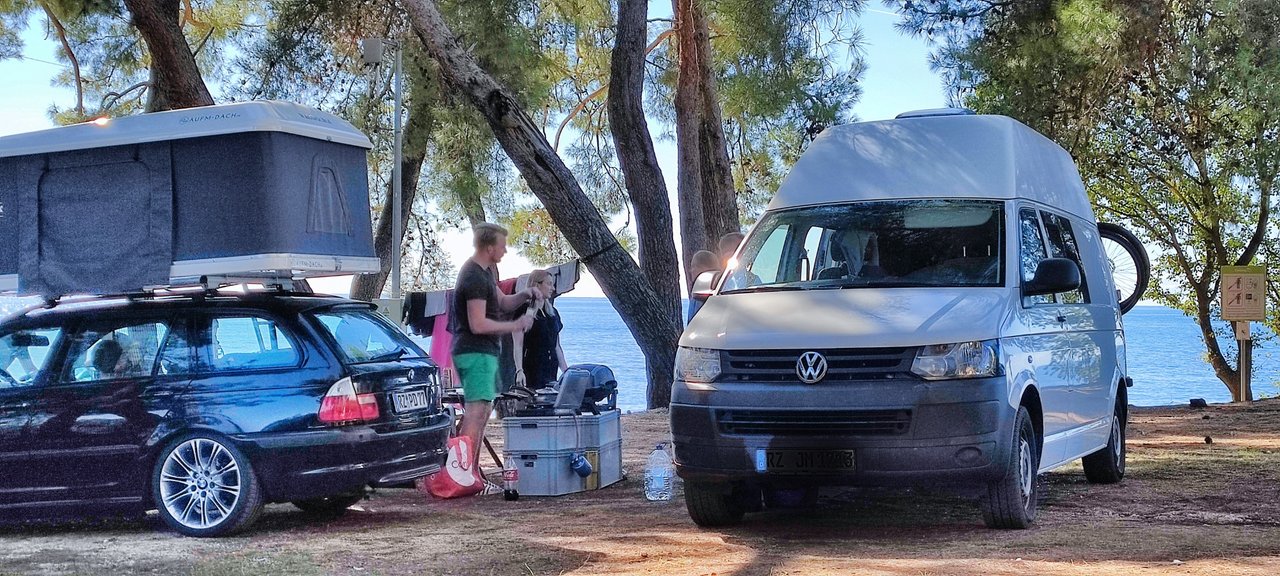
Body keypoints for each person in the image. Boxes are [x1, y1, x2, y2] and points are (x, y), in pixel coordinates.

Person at [452, 222, 541, 463]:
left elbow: (502, 303)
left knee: (483, 412)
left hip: (486, 352)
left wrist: (524, 294)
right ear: (489, 247)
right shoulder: (473, 276)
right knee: (476, 412)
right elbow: (477, 324)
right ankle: (463, 472)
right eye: (502, 246)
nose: (505, 250)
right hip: (474, 352)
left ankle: (472, 472)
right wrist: (514, 326)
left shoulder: (486, 273)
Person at [512, 269, 569, 391]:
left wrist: (566, 372)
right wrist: (519, 371)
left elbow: (556, 346)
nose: (552, 288)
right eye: (548, 284)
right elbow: (517, 344)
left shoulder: (552, 313)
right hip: (531, 371)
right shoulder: (523, 311)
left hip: (550, 372)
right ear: (537, 285)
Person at [686, 250, 721, 323]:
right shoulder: (697, 290)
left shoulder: (713, 292)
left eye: (694, 266)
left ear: (705, 268)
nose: (691, 271)